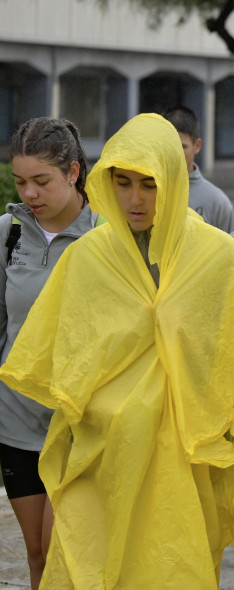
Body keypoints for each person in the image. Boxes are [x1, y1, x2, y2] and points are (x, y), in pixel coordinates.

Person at [0, 113, 234, 588]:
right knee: (91, 568)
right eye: (122, 183)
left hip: (185, 462)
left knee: (174, 569)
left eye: (150, 184)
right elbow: (57, 356)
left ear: (174, 180)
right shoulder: (89, 257)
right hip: (102, 457)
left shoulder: (218, 257)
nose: (135, 200)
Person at [2, 117, 99, 589]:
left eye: (41, 181)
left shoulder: (107, 236)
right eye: (21, 181)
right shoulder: (8, 233)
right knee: (37, 557)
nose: (29, 194)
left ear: (74, 172)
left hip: (79, 424)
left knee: (67, 555)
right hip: (16, 420)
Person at [163, 106, 234, 232]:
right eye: (170, 146)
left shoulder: (217, 203)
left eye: (182, 146)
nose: (176, 153)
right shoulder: (146, 193)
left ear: (197, 146)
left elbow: (230, 250)